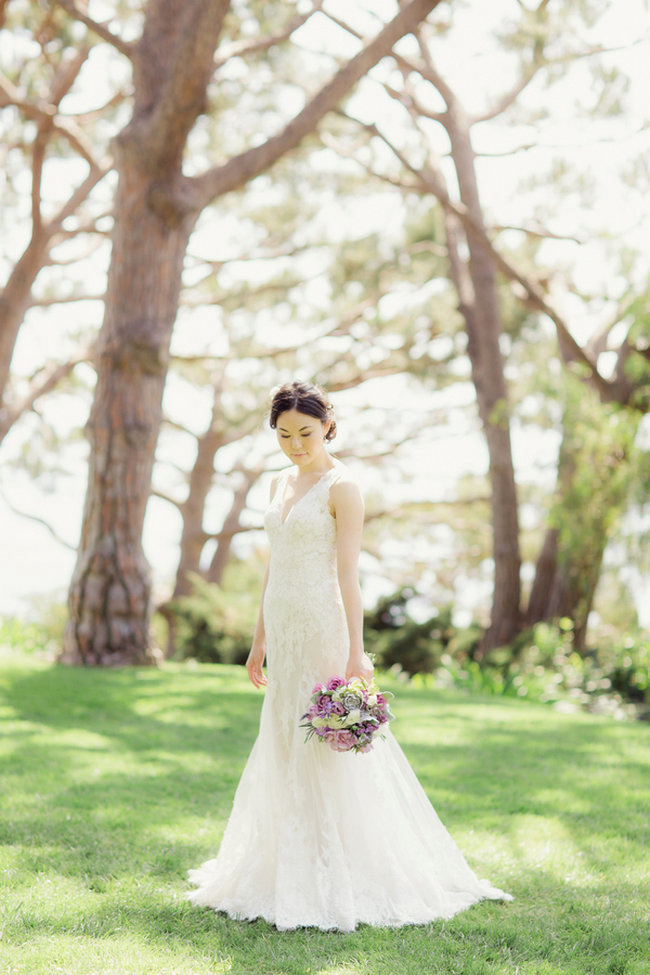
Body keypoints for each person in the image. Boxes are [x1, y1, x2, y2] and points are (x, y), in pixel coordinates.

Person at [187, 380, 512, 931]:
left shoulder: (344, 486)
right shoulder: (277, 482)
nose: (294, 445)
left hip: (323, 625)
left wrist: (358, 655)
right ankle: (285, 859)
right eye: (284, 434)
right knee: (286, 736)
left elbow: (347, 574)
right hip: (284, 625)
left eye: (305, 434)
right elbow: (275, 565)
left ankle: (342, 866)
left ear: (328, 426)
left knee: (325, 743)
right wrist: (259, 638)